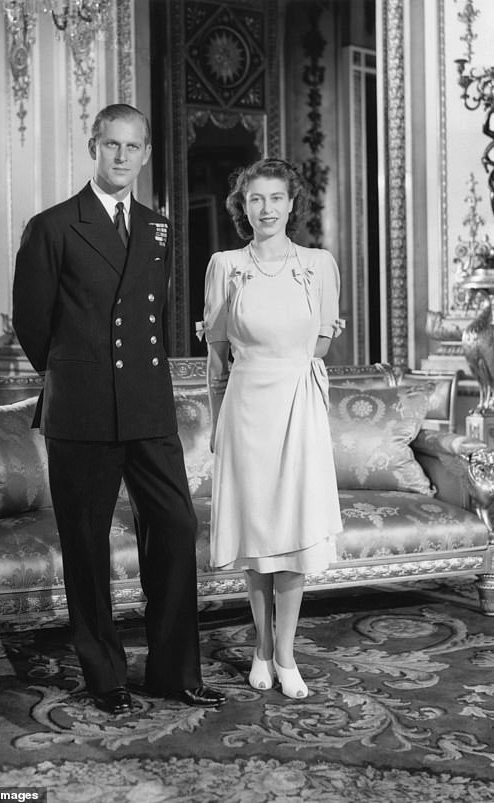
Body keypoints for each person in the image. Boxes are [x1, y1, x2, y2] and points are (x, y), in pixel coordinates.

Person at [12, 104, 226, 716]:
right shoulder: (53, 226)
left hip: (148, 407)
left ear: (146, 154)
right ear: (93, 147)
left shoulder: (157, 228)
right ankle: (105, 675)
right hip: (82, 410)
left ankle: (172, 672)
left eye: (133, 148)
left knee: (177, 526)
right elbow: (33, 325)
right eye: (111, 146)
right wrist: (76, 375)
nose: (122, 157)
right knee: (85, 545)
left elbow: (153, 320)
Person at [202, 157, 343, 698]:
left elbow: (321, 343)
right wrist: (218, 427)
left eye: (276, 198)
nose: (266, 209)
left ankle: (285, 654)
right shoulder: (225, 265)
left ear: (291, 204)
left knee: (294, 537)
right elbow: (217, 360)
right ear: (244, 205)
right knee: (259, 540)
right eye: (255, 199)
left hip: (299, 404)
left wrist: (299, 365)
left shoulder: (319, 264)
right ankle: (261, 646)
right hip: (245, 409)